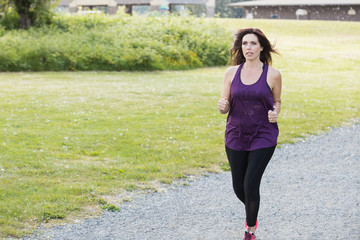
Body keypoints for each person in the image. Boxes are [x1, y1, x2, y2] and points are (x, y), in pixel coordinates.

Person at [218, 28, 282, 240]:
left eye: (253, 43)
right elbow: (225, 105)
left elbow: (277, 102)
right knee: (239, 186)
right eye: (245, 44)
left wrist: (275, 112)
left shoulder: (273, 74)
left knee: (250, 183)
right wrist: (222, 106)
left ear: (261, 47)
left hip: (263, 135)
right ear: (241, 47)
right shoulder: (231, 73)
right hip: (236, 135)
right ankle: (252, 209)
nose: (248, 48)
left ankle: (250, 231)